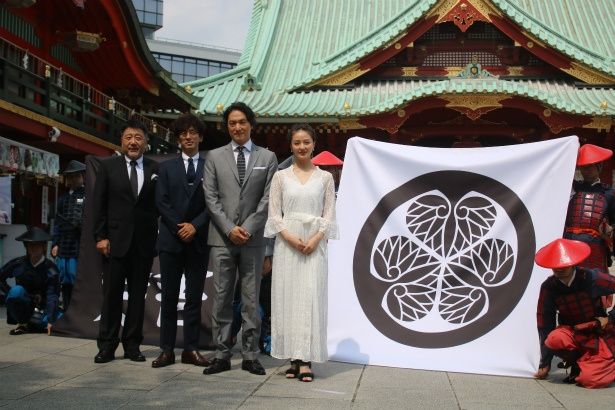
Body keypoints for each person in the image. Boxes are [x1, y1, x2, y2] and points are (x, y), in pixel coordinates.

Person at [203, 102, 277, 375]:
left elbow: (268, 200)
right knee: (221, 298)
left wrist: (245, 227)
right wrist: (229, 228)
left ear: (251, 124)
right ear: (227, 127)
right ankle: (221, 354)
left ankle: (249, 354)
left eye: (242, 122)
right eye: (232, 123)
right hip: (222, 239)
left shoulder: (267, 158)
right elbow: (210, 199)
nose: (237, 127)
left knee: (250, 298)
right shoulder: (214, 156)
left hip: (253, 239)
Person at [264, 123, 338, 382]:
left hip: (315, 245)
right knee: (288, 298)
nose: (302, 147)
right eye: (297, 143)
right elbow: (274, 213)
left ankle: (306, 359)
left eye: (306, 142)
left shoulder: (325, 178)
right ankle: (294, 358)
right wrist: (289, 237)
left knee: (310, 297)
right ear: (291, 146)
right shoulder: (280, 177)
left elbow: (329, 214)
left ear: (314, 144)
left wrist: (317, 237)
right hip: (287, 244)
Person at [92, 119, 158, 364]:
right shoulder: (108, 167)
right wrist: (100, 236)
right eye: (129, 137)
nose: (133, 142)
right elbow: (98, 205)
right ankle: (107, 346)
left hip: (142, 244)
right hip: (114, 243)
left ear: (146, 143)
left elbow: (157, 207)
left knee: (138, 297)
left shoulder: (154, 169)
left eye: (138, 137)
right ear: (121, 141)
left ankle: (133, 345)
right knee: (112, 295)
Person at [152, 113, 211, 368]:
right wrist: (180, 227)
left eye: (192, 132)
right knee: (169, 296)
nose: (188, 137)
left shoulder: (210, 167)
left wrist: (195, 226)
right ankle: (166, 349)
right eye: (183, 134)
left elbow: (214, 203)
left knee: (194, 298)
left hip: (197, 240)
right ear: (178, 139)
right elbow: (161, 202)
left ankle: (191, 348)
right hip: (171, 240)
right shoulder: (165, 168)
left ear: (200, 136)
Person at [534, 238, 615, 388]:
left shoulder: (592, 278)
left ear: (573, 262)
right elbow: (544, 322)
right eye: (555, 265)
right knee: (554, 339)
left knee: (591, 381)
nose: (559, 268)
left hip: (598, 334)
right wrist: (545, 363)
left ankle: (604, 362)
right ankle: (578, 363)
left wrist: (610, 319)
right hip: (573, 333)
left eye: (564, 264)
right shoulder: (549, 287)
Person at [564, 144, 615, 308]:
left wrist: (609, 233)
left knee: (593, 284)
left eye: (589, 167)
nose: (586, 170)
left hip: (595, 247)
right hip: (570, 244)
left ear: (599, 167)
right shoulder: (570, 187)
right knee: (568, 285)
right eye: (583, 167)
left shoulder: (609, 193)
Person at [0, 227, 60, 335]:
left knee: (62, 320)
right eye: (30, 245)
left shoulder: (51, 268)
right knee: (16, 291)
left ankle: (38, 324)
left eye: (37, 245)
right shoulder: (18, 263)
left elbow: (53, 295)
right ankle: (23, 323)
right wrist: (9, 293)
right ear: (26, 247)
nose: (34, 248)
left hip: (43, 308)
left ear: (44, 247)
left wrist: (51, 320)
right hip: (24, 306)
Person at [51, 160, 86, 311]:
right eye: (70, 177)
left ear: (82, 177)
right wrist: (55, 243)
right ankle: (66, 308)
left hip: (79, 243)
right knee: (63, 278)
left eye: (76, 176)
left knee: (75, 276)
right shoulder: (62, 199)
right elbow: (57, 224)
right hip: (64, 243)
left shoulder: (89, 196)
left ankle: (77, 310)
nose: (73, 180)